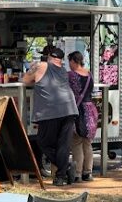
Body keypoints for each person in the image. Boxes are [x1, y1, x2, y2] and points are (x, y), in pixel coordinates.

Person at [23, 48, 78, 186]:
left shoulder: (40, 65)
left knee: (43, 142)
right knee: (63, 145)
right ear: (61, 59)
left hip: (51, 110)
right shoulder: (63, 71)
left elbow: (24, 80)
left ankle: (66, 168)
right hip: (70, 108)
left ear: (48, 56)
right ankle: (60, 176)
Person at [67, 51, 97, 182]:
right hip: (90, 110)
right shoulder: (89, 74)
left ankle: (77, 173)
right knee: (88, 142)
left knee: (76, 141)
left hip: (77, 110)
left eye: (70, 62)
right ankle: (88, 173)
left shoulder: (71, 75)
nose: (69, 64)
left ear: (74, 61)